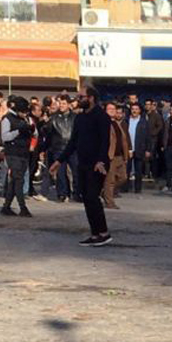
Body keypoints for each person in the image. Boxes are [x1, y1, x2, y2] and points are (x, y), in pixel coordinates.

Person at [50, 86, 112, 247]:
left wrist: (101, 161)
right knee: (85, 198)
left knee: (93, 197)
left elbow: (105, 141)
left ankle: (104, 233)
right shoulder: (80, 118)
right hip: (82, 163)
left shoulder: (101, 116)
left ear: (91, 98)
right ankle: (95, 233)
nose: (78, 99)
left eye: (82, 96)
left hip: (98, 164)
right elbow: (73, 143)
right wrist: (59, 161)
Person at [0, 96, 33, 217]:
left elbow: (33, 132)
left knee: (15, 181)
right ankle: (22, 207)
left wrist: (30, 129)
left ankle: (6, 207)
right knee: (18, 180)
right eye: (24, 111)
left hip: (23, 153)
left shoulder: (25, 119)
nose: (25, 114)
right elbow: (4, 137)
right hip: (12, 153)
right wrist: (18, 131)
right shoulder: (7, 119)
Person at [44, 95, 76, 202]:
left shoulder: (75, 117)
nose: (62, 106)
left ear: (69, 105)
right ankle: (62, 194)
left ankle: (77, 192)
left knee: (76, 171)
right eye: (60, 104)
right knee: (60, 173)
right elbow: (47, 133)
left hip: (73, 148)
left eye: (64, 104)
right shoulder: (54, 118)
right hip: (59, 148)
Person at [103, 102, 130, 209]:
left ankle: (104, 193)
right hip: (110, 156)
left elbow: (124, 140)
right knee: (110, 181)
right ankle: (109, 202)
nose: (112, 111)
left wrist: (126, 155)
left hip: (120, 156)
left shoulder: (117, 123)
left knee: (123, 178)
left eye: (113, 109)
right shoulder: (104, 123)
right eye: (109, 109)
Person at [124, 102, 150, 194]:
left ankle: (138, 188)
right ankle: (125, 187)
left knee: (138, 170)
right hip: (128, 148)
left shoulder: (144, 122)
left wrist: (148, 149)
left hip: (140, 148)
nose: (134, 111)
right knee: (126, 169)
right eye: (133, 109)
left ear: (139, 111)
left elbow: (148, 136)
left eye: (136, 109)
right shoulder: (126, 120)